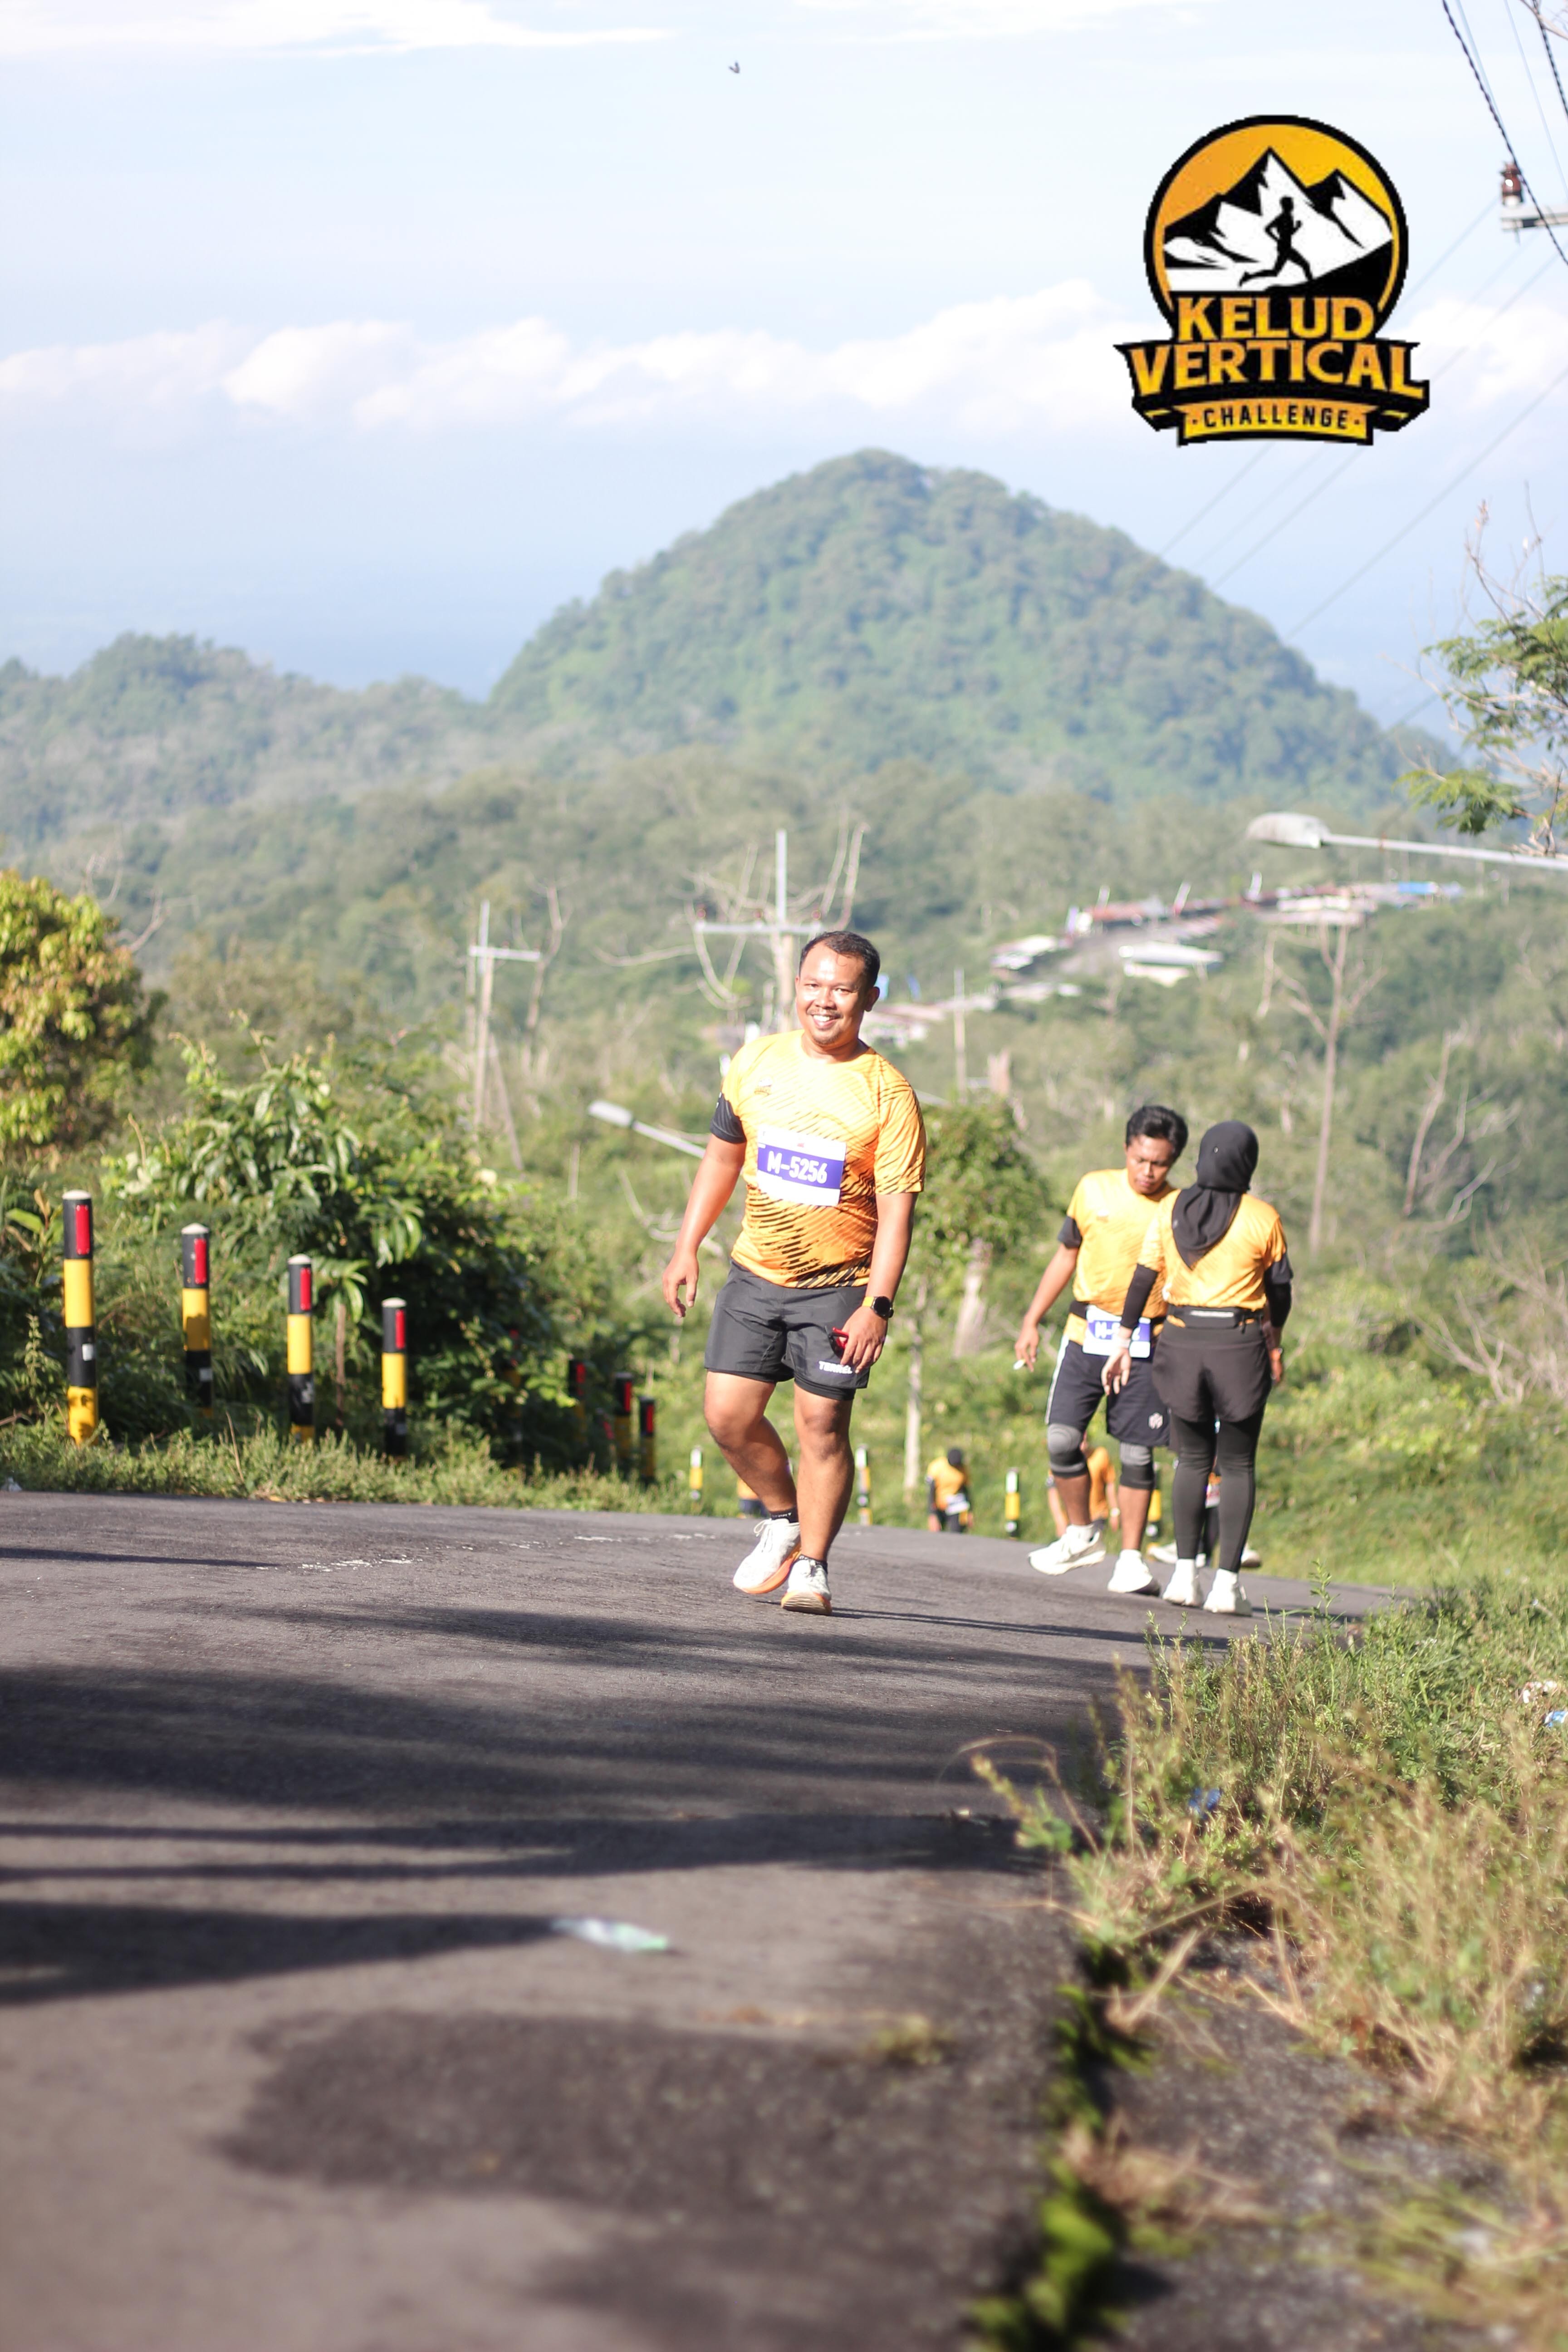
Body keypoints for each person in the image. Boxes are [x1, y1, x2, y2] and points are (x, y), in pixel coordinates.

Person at [662, 930, 926, 1616]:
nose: (824, 1000)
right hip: (755, 1275)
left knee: (821, 1424)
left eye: (842, 989)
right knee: (727, 1416)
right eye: (813, 985)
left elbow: (897, 1216)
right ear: (797, 986)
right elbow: (722, 1159)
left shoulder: (888, 1094)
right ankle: (784, 1518)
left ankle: (813, 1566)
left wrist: (878, 1306)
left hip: (839, 1288)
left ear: (870, 998)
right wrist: (686, 1246)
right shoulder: (755, 1061)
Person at [1102, 1120, 1291, 1616]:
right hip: (1238, 1344)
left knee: (1190, 1459)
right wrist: (1274, 1341)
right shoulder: (1262, 1217)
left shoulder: (1171, 1208)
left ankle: (1184, 1577)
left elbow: (1144, 1278)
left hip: (1181, 1342)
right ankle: (1227, 1586)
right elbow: (1280, 1291)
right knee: (1238, 1463)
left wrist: (1123, 1339)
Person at [1014, 1105, 1189, 1594]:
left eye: (1160, 1163)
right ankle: (1080, 1534)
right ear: (1127, 1149)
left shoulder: (1179, 1206)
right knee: (1061, 1440)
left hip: (1148, 1343)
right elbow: (1066, 1255)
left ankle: (1130, 1560)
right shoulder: (1093, 1188)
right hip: (1084, 1334)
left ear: (1173, 1161)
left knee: (1136, 1452)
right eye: (1140, 1159)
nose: (1148, 1171)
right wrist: (1031, 1320)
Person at [926, 1445, 972, 1533]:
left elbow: (966, 1492)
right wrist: (932, 1515)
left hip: (956, 1506)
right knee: (936, 1533)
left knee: (957, 1533)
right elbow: (931, 1492)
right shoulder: (937, 1467)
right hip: (939, 1505)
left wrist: (969, 1513)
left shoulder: (963, 1469)